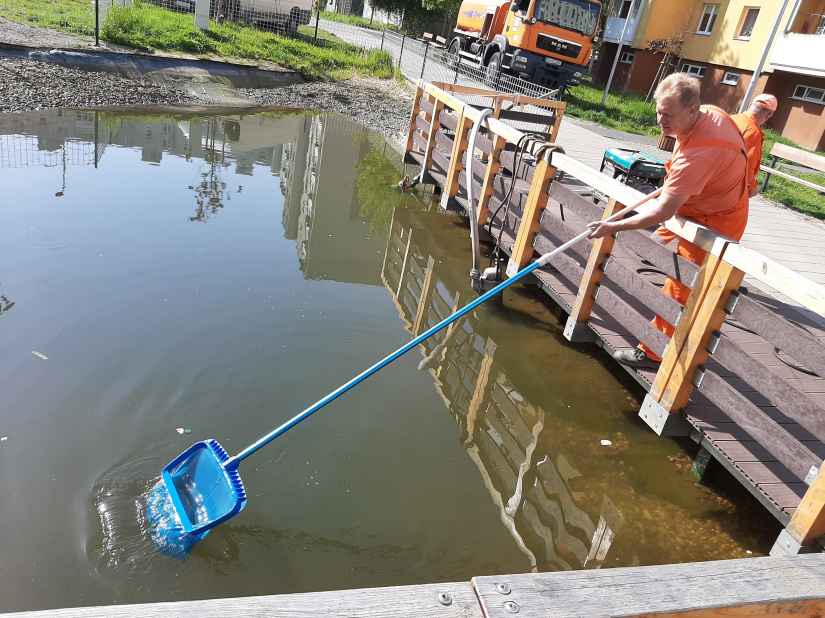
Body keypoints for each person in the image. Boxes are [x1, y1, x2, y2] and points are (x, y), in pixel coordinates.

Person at [588, 72, 749, 369]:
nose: (661, 120)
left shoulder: (699, 155)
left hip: (716, 219)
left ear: (692, 110)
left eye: (668, 115)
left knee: (682, 284)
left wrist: (612, 226)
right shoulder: (708, 114)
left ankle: (653, 352)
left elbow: (663, 212)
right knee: (683, 276)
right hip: (709, 199)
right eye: (659, 112)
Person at [732, 94, 777, 198]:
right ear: (769, 115)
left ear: (749, 106)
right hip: (730, 184)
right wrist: (751, 187)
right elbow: (747, 165)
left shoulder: (732, 118)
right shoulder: (753, 132)